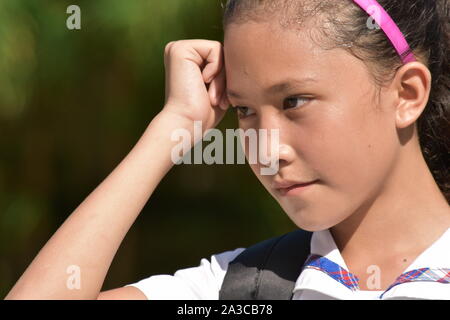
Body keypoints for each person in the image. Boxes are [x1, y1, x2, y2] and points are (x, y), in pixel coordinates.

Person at [5, 0, 449, 300]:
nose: (265, 149)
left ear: (407, 94)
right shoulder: (236, 289)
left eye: (293, 101)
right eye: (243, 110)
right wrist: (174, 127)